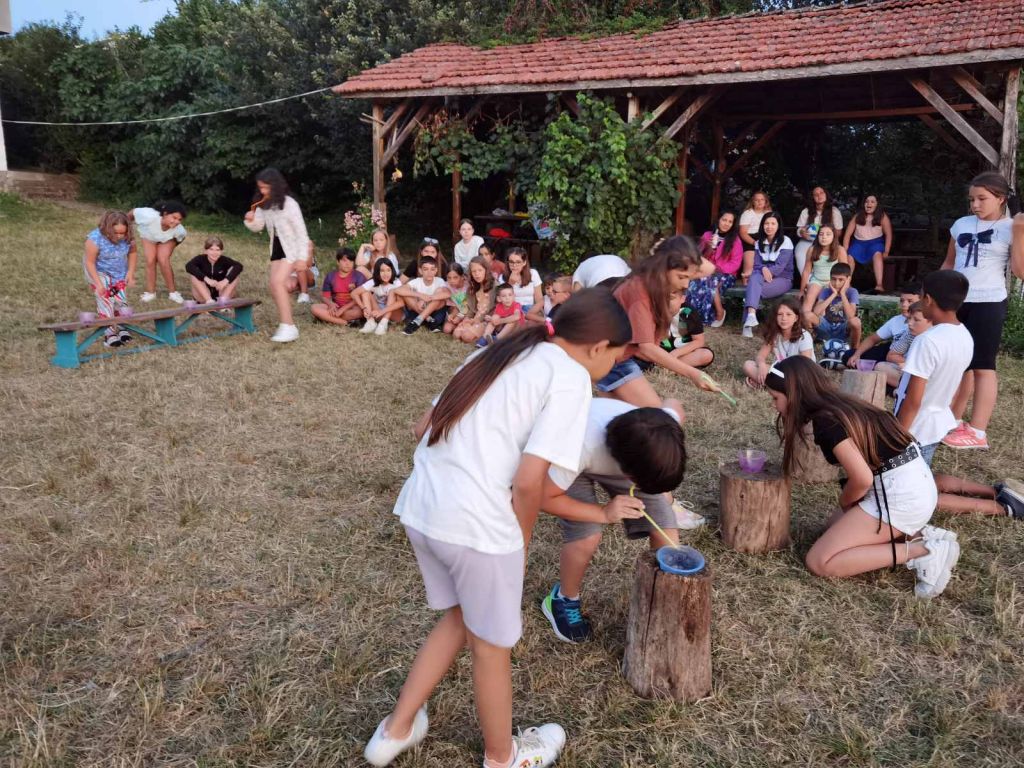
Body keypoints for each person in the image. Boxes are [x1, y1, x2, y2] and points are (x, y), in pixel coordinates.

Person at [362, 289, 632, 768]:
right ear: (598, 346)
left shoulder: (498, 351)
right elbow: (529, 483)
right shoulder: (570, 377)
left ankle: (394, 731)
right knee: (491, 648)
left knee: (461, 618)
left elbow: (421, 426)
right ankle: (503, 757)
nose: (611, 368)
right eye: (615, 357)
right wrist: (520, 546)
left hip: (423, 509)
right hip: (479, 528)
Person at [764, 357, 959, 598]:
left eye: (775, 398)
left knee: (820, 561)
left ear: (795, 394)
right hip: (914, 484)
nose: (774, 405)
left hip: (900, 496)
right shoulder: (844, 405)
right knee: (831, 528)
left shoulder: (826, 421)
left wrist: (846, 502)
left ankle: (923, 552)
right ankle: (925, 535)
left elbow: (862, 479)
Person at [539, 399, 687, 643]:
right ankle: (563, 599)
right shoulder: (578, 446)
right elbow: (543, 498)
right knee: (587, 535)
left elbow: (674, 404)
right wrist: (603, 513)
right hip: (568, 462)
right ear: (629, 474)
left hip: (626, 456)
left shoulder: (664, 426)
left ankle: (662, 600)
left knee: (664, 521)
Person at [894, 270, 1023, 520]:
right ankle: (996, 492)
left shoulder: (927, 341)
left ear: (928, 299)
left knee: (911, 497)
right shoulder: (964, 334)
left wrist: (897, 437)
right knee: (923, 476)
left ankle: (1003, 507)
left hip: (915, 429)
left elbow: (913, 400)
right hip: (936, 422)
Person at [941, 171, 1024, 450]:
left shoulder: (1011, 226)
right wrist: (935, 294)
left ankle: (977, 431)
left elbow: (1020, 270)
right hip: (957, 301)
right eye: (971, 199)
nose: (975, 205)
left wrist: (1020, 231)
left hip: (989, 301)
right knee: (958, 363)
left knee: (983, 366)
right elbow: (949, 263)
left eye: (982, 199)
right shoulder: (961, 224)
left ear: (1000, 199)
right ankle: (951, 419)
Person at [598, 236, 719, 408]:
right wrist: (693, 374)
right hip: (611, 360)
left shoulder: (656, 278)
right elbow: (647, 348)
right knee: (654, 413)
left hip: (617, 358)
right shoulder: (639, 292)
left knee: (619, 414)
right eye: (682, 277)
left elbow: (709, 268)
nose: (686, 284)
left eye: (689, 277)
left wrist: (671, 248)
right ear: (664, 267)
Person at [243, 167, 311, 343]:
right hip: (276, 249)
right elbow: (258, 226)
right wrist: (249, 219)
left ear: (275, 185)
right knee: (274, 286)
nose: (263, 191)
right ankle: (287, 325)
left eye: (265, 187)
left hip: (292, 249)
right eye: (260, 187)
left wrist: (302, 258)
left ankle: (288, 325)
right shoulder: (264, 204)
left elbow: (302, 234)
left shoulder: (290, 204)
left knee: (278, 283)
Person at [83, 210, 137, 348]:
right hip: (98, 272)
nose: (119, 236)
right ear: (107, 229)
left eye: (122, 233)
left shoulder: (128, 238)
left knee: (120, 300)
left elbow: (133, 253)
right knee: (106, 300)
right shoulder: (95, 239)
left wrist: (130, 273)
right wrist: (98, 283)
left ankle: (122, 327)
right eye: (115, 233)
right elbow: (89, 262)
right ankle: (110, 334)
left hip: (118, 272)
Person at [741, 212, 795, 338]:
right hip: (762, 276)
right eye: (766, 223)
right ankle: (751, 316)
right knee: (754, 279)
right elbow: (757, 265)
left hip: (783, 279)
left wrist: (766, 270)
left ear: (778, 226)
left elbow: (780, 267)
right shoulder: (759, 242)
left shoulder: (786, 241)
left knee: (752, 289)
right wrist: (764, 268)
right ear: (762, 225)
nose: (769, 226)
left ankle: (747, 324)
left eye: (773, 223)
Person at [742, 297, 814, 388]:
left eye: (788, 314)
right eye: (780, 314)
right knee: (748, 365)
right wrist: (762, 365)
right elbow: (760, 356)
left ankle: (767, 384)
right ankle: (772, 385)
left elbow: (806, 366)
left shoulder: (804, 336)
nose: (784, 318)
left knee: (798, 380)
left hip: (800, 375)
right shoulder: (774, 334)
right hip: (781, 373)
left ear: (796, 318)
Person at [844, 283, 921, 368]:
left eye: (910, 301)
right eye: (902, 301)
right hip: (892, 354)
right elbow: (873, 339)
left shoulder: (925, 323)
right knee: (849, 355)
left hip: (910, 359)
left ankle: (872, 367)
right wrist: (857, 355)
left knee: (882, 366)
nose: (904, 305)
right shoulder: (897, 320)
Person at [689, 211, 743, 326]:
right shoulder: (707, 235)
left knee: (709, 280)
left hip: (726, 274)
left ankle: (718, 312)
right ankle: (692, 316)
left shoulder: (735, 240)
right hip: (706, 272)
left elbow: (735, 263)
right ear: (718, 220)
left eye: (730, 222)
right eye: (724, 220)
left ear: (733, 224)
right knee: (695, 282)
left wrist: (716, 269)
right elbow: (698, 257)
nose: (726, 224)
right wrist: (707, 247)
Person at [130, 200, 187, 304]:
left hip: (167, 239)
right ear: (165, 214)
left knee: (163, 259)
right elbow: (132, 213)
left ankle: (173, 293)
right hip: (149, 236)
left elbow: (180, 239)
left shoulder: (180, 230)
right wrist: (126, 229)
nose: (176, 222)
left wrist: (167, 247)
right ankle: (150, 293)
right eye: (174, 217)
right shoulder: (149, 216)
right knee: (150, 260)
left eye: (180, 219)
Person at [806, 262, 861, 367]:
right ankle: (809, 344)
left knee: (856, 321)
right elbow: (816, 312)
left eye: (841, 280)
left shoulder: (852, 292)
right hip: (826, 327)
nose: (836, 283)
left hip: (843, 329)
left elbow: (851, 316)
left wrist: (843, 294)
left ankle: (854, 351)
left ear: (848, 280)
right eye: (833, 279)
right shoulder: (826, 291)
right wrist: (833, 294)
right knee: (807, 315)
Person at [874, 301, 931, 388]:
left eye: (916, 320)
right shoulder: (910, 334)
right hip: (909, 372)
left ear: (931, 322)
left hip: (929, 377)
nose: (910, 323)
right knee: (880, 366)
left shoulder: (935, 339)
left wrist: (911, 365)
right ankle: (906, 388)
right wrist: (907, 363)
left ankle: (906, 389)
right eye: (909, 318)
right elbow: (891, 355)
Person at [843, 194, 893, 294]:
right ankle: (847, 283)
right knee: (850, 255)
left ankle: (879, 284)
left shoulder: (882, 216)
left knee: (877, 254)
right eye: (867, 201)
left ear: (877, 204)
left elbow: (889, 234)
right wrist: (845, 249)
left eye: (872, 202)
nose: (869, 204)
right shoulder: (857, 216)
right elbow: (847, 234)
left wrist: (887, 251)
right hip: (859, 243)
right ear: (863, 204)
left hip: (875, 242)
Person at [393, 256, 451, 335]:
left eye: (432, 269)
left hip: (435, 314)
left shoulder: (439, 281)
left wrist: (427, 299)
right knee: (406, 294)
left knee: (440, 293)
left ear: (436, 270)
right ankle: (427, 319)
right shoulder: (417, 281)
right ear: (420, 270)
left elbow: (448, 294)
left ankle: (418, 321)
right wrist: (420, 295)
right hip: (419, 311)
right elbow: (397, 290)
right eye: (426, 269)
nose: (429, 272)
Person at [794, 186, 844, 277]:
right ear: (812, 198)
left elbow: (839, 232)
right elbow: (799, 229)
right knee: (799, 253)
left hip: (828, 242)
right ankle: (808, 281)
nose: (819, 195)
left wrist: (827, 235)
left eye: (821, 193)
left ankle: (825, 281)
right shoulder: (806, 211)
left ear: (826, 195)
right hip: (808, 241)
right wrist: (801, 232)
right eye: (815, 194)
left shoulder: (834, 211)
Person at [799, 224, 848, 313]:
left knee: (822, 306)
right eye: (821, 234)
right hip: (816, 280)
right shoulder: (812, 250)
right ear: (817, 236)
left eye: (828, 234)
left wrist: (843, 288)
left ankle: (818, 319)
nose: (824, 237)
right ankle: (806, 317)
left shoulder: (840, 250)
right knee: (809, 297)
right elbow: (806, 271)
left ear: (834, 236)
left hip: (833, 282)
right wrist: (801, 290)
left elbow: (846, 272)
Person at [311, 248, 367, 326]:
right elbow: (325, 297)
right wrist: (331, 304)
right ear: (338, 262)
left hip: (353, 307)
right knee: (314, 308)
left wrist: (343, 309)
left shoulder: (359, 276)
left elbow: (360, 297)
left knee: (361, 311)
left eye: (351, 261)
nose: (348, 264)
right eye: (344, 261)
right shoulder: (330, 276)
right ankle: (346, 323)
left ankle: (327, 318)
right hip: (336, 307)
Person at [184, 236, 243, 304]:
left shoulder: (224, 260)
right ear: (205, 251)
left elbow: (239, 266)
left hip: (220, 292)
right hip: (203, 295)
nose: (214, 253)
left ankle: (222, 302)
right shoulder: (200, 259)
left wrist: (225, 281)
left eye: (217, 250)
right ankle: (209, 301)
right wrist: (207, 279)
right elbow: (188, 266)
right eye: (211, 249)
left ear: (221, 251)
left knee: (235, 275)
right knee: (194, 275)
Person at [352, 257, 403, 335]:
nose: (386, 274)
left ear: (392, 271)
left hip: (395, 315)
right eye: (382, 271)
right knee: (365, 292)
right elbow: (354, 293)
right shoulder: (373, 282)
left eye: (388, 270)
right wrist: (363, 308)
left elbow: (401, 303)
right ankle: (370, 322)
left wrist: (381, 311)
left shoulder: (396, 282)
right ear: (377, 272)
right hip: (378, 313)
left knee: (392, 292)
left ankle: (383, 324)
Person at [453, 257, 497, 345]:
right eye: (474, 271)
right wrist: (466, 319)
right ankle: (473, 334)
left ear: (486, 270)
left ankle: (485, 338)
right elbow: (470, 308)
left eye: (480, 270)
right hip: (475, 318)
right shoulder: (472, 288)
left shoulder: (495, 287)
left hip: (486, 320)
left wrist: (475, 321)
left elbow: (494, 310)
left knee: (466, 337)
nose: (477, 274)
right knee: (456, 334)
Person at [738, 190, 771, 284]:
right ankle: (746, 288)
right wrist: (755, 243)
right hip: (750, 239)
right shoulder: (748, 213)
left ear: (765, 201)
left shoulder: (768, 213)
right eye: (757, 200)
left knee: (768, 265)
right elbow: (743, 233)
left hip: (765, 239)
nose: (759, 202)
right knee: (749, 269)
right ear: (753, 202)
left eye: (762, 199)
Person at [505, 247, 543, 313]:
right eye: (511, 262)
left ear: (524, 262)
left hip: (530, 309)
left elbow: (539, 299)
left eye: (518, 262)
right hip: (512, 309)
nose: (514, 265)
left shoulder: (533, 273)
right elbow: (503, 300)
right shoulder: (502, 277)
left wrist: (537, 313)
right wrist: (510, 284)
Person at [442, 263, 469, 335]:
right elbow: (454, 307)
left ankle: (461, 327)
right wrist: (452, 315)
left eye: (455, 277)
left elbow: (467, 308)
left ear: (462, 277)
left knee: (459, 333)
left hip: (468, 313)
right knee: (447, 329)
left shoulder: (468, 287)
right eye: (449, 278)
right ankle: (457, 326)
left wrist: (459, 317)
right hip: (457, 311)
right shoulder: (446, 286)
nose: (452, 281)